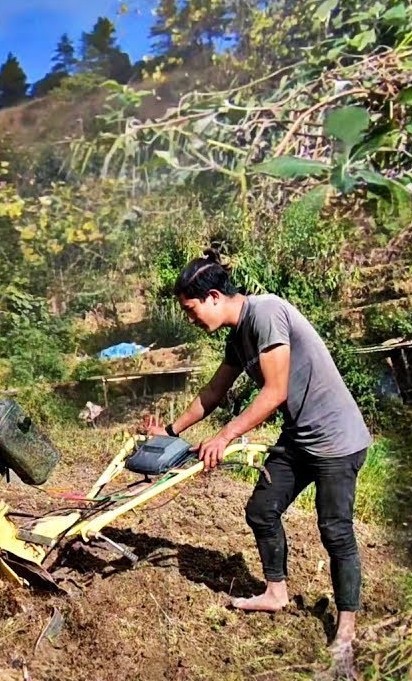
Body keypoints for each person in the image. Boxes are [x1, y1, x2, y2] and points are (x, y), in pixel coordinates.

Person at [150, 247, 371, 659]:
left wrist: (225, 437)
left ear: (214, 296)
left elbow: (275, 391)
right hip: (300, 437)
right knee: (261, 510)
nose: (191, 320)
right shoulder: (239, 337)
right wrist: (167, 431)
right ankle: (276, 591)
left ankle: (346, 627)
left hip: (337, 440)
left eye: (192, 310)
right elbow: (214, 392)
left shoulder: (266, 312)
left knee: (334, 529)